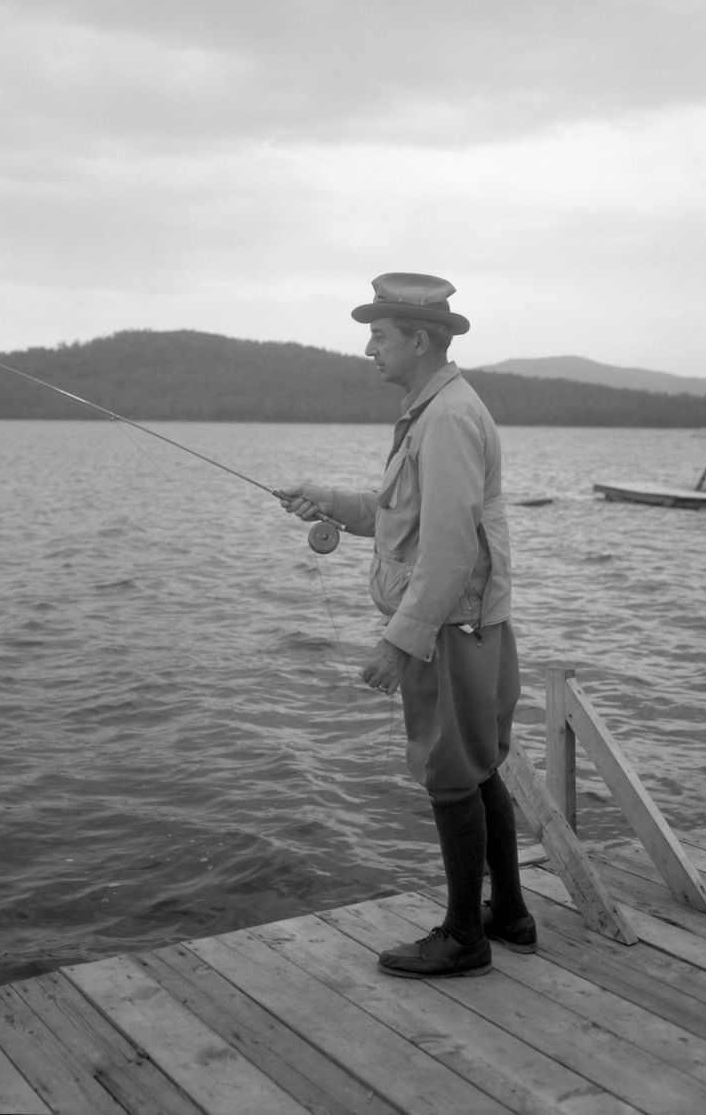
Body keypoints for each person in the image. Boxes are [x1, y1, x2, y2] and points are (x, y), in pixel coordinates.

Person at [280, 272, 536, 977]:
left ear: (419, 340)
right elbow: (407, 520)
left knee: (451, 772)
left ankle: (464, 937)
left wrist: (399, 641)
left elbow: (449, 550)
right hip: (467, 624)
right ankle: (508, 912)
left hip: (450, 628)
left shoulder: (447, 418)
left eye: (380, 335)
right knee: (481, 767)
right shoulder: (437, 411)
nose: (368, 348)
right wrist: (328, 500)